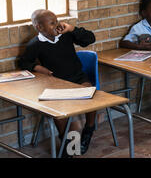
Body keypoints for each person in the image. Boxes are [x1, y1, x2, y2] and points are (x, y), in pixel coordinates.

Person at [18, 9, 96, 157]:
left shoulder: (66, 35)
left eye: (57, 21)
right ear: (39, 27)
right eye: (52, 23)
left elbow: (90, 39)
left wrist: (72, 28)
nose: (57, 25)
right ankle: (68, 144)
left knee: (90, 95)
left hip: (77, 78)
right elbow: (24, 62)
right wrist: (38, 67)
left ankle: (89, 128)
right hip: (57, 84)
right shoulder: (35, 44)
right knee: (59, 113)